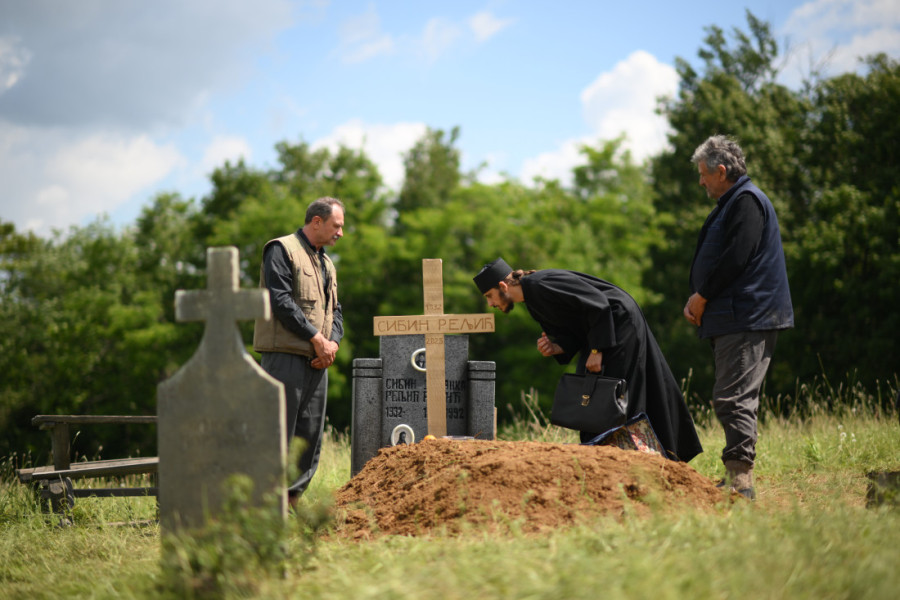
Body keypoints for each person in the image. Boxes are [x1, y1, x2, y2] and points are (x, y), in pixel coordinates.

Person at [474, 258, 703, 463]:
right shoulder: (532, 300)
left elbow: (598, 303)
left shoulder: (540, 283)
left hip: (619, 324)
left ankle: (644, 459)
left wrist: (596, 349)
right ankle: (608, 460)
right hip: (603, 331)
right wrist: (557, 347)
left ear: (503, 286)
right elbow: (574, 328)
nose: (490, 304)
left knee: (612, 397)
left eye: (489, 296)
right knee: (594, 397)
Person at [684, 135, 794, 499]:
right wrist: (698, 297)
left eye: (703, 174)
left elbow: (737, 257)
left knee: (733, 399)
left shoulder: (746, 201)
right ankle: (736, 477)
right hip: (734, 316)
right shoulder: (733, 202)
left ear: (721, 171)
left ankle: (740, 483)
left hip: (747, 316)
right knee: (731, 397)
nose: (701, 182)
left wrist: (702, 296)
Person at [253, 197, 345, 505]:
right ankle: (267, 506)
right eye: (336, 226)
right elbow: (280, 300)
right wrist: (316, 338)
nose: (340, 233)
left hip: (319, 361)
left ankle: (292, 503)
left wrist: (332, 344)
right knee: (278, 434)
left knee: (309, 436)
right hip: (284, 358)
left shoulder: (327, 263)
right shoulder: (281, 249)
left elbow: (337, 310)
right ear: (317, 222)